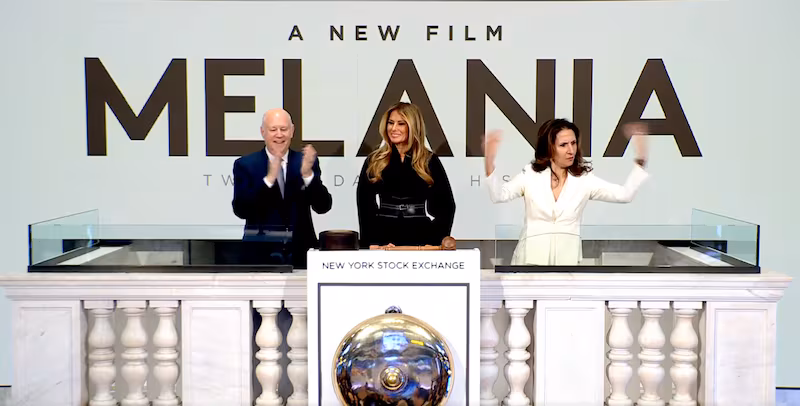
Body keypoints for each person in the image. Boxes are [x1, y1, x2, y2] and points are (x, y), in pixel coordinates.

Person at [483, 118, 649, 266]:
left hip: (567, 265)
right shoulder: (530, 175)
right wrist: (489, 160)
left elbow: (625, 194)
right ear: (550, 148)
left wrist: (641, 158)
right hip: (529, 263)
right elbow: (499, 195)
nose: (571, 150)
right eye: (563, 145)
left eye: (573, 143)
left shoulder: (584, 180)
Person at [232, 108, 332, 269]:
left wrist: (308, 175)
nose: (279, 135)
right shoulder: (245, 165)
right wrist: (269, 179)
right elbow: (241, 209)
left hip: (301, 255)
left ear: (292, 131)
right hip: (259, 256)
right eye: (273, 130)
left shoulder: (305, 161)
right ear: (262, 132)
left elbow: (323, 206)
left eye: (284, 129)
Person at [357, 102, 456, 247]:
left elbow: (446, 206)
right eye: (390, 123)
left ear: (413, 127)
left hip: (421, 236)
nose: (393, 128)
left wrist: (435, 241)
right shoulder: (375, 160)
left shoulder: (429, 160)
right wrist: (371, 242)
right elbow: (365, 205)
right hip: (383, 237)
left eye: (401, 124)